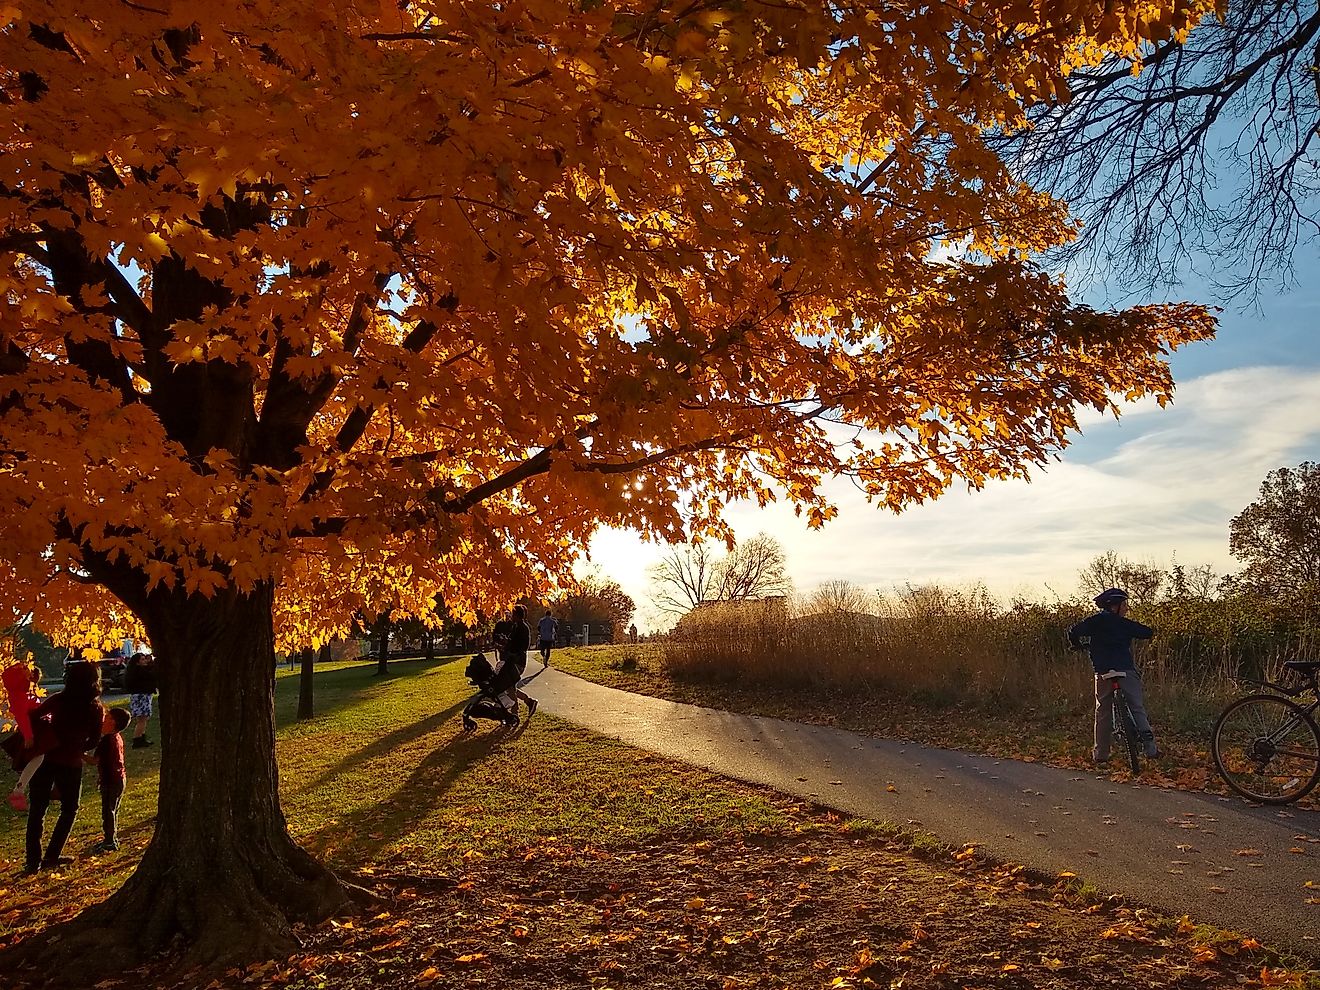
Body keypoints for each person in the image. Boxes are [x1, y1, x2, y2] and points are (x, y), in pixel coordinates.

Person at [24, 660, 105, 874]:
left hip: (45, 758)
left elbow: (33, 716)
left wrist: (46, 733)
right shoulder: (95, 708)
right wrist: (79, 746)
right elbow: (95, 739)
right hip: (70, 761)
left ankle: (33, 860)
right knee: (69, 808)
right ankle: (52, 854)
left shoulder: (59, 700)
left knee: (38, 809)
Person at [1068, 588, 1159, 762]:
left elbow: (1073, 632)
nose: (1126, 608)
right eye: (1124, 605)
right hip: (1125, 670)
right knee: (1137, 708)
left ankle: (1100, 754)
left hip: (1102, 672)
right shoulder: (1124, 624)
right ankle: (1151, 750)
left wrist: (1078, 645)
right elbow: (1147, 632)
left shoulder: (1094, 621)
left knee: (1102, 711)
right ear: (1114, 607)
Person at [89, 707, 130, 853]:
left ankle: (109, 841)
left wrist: (78, 753)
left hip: (111, 780)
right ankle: (111, 838)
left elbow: (94, 760)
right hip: (119, 778)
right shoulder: (117, 737)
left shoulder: (107, 740)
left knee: (108, 811)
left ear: (113, 722)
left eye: (107, 717)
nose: (103, 719)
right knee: (113, 810)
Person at [498, 605, 537, 718]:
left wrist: (512, 653)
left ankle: (515, 713)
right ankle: (528, 702)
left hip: (517, 662)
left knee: (509, 686)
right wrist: (503, 644)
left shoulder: (523, 628)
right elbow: (511, 643)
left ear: (517, 615)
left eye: (513, 614)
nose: (511, 616)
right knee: (509, 687)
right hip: (511, 661)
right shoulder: (516, 626)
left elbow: (523, 646)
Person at [122, 651, 157, 749]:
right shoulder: (139, 671)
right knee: (142, 719)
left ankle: (141, 737)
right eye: (142, 659)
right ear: (137, 662)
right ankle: (137, 739)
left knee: (142, 719)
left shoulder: (136, 671)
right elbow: (151, 676)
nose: (145, 661)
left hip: (140, 696)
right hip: (141, 696)